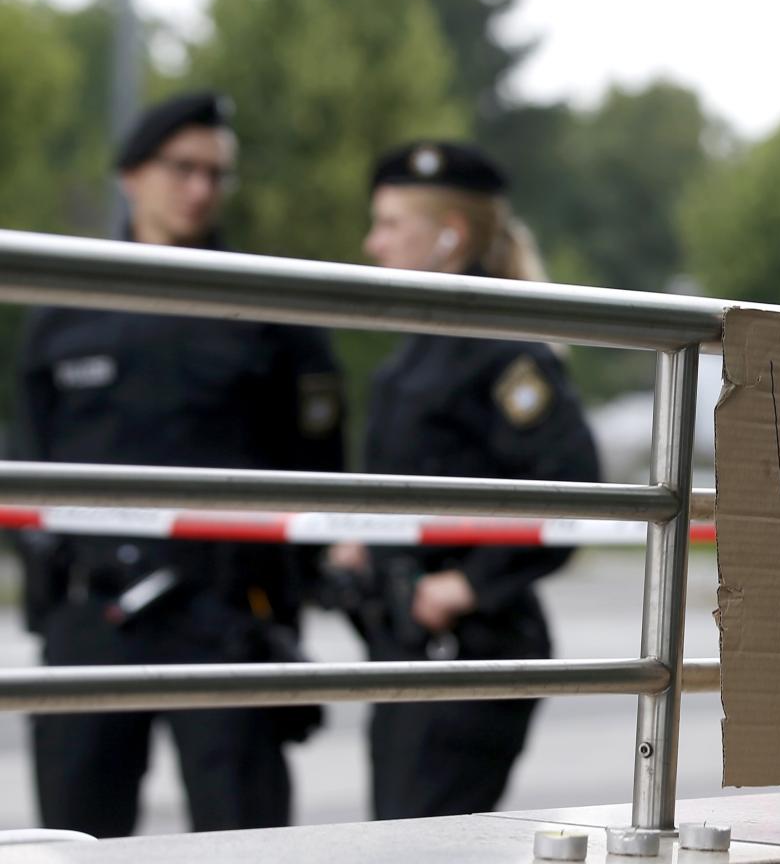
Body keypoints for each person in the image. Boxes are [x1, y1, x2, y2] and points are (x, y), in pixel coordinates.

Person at [12, 91, 346, 836]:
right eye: (182, 168)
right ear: (131, 174)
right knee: (71, 844)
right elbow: (26, 460)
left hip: (225, 617)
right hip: (90, 619)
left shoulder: (266, 304)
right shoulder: (63, 299)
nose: (201, 189)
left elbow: (319, 466)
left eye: (216, 174)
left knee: (245, 844)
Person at [328, 140, 600, 820]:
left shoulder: (505, 349)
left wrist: (469, 584)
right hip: (409, 651)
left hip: (474, 650)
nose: (372, 243)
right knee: (400, 836)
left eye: (391, 224)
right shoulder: (424, 344)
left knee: (418, 843)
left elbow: (574, 488)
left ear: (449, 235)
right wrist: (367, 543)